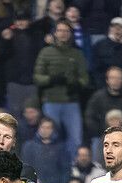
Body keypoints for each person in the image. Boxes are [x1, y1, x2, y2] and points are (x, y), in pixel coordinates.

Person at [33, 19, 88, 159]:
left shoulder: (77, 54)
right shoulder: (46, 52)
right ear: (55, 33)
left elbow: (85, 79)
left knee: (75, 139)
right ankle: (50, 163)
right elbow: (37, 77)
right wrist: (51, 80)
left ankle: (73, 169)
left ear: (70, 34)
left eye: (66, 31)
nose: (63, 34)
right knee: (51, 137)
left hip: (71, 102)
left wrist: (76, 84)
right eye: (60, 31)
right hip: (51, 101)